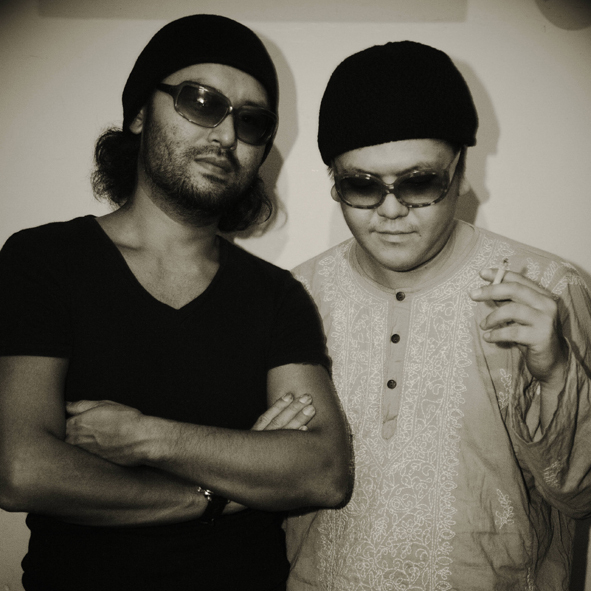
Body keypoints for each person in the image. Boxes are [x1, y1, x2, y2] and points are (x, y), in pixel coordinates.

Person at [0, 15, 350, 591]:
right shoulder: (44, 260)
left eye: (252, 121)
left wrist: (146, 436)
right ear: (140, 113)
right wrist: (219, 495)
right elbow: (22, 470)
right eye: (201, 102)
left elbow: (324, 471)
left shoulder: (277, 295)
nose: (226, 135)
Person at [285, 40, 591, 590]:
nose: (391, 210)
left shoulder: (550, 290)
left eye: (419, 182)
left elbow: (582, 495)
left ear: (462, 172)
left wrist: (557, 374)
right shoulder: (292, 299)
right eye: (361, 186)